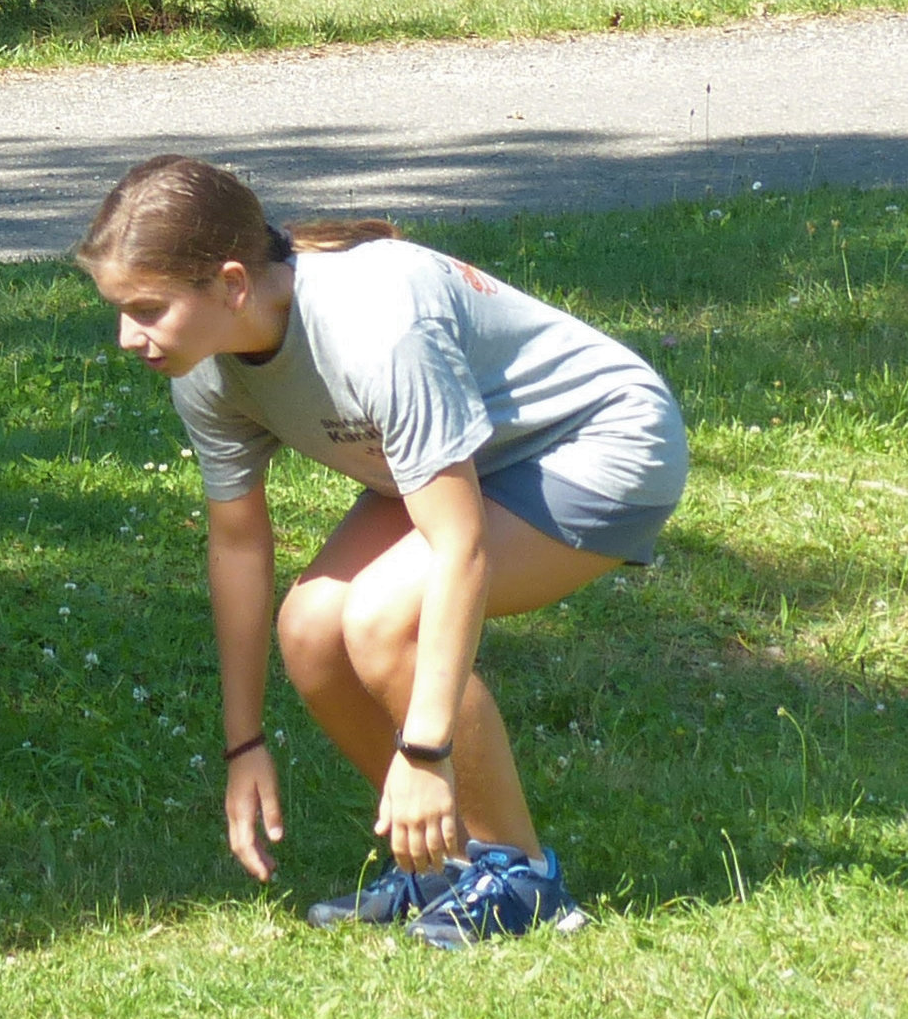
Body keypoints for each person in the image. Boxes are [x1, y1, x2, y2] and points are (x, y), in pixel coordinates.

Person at [76, 154, 690, 947]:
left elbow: (459, 547)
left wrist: (426, 748)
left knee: (381, 619)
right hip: (474, 459)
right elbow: (237, 546)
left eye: (146, 309)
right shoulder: (206, 369)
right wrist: (243, 742)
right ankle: (447, 863)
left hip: (601, 443)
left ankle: (520, 878)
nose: (127, 337)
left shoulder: (373, 326)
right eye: (119, 311)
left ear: (230, 284)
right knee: (309, 628)